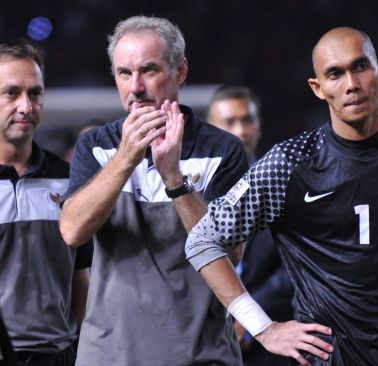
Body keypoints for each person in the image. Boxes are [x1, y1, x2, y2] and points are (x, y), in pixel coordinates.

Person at [186, 27, 378, 366]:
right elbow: (202, 240)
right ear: (318, 87)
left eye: (360, 67)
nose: (351, 84)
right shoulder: (288, 164)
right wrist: (264, 328)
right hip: (325, 358)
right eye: (335, 74)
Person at [59, 16, 249, 365]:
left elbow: (230, 253)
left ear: (180, 72)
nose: (135, 87)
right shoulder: (95, 147)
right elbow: (72, 231)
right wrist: (126, 157)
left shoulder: (224, 149)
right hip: (109, 356)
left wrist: (174, 179)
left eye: (148, 70)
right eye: (124, 73)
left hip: (200, 355)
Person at [0, 41, 91, 366]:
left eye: (35, 93)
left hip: (59, 357)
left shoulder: (71, 181)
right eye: (11, 93)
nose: (26, 106)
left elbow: (83, 277)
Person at [206, 84, 295, 366]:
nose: (241, 130)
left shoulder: (284, 183)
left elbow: (295, 261)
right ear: (211, 127)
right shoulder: (192, 188)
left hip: (272, 333)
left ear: (259, 126)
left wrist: (249, 314)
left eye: (247, 120)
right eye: (229, 121)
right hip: (202, 333)